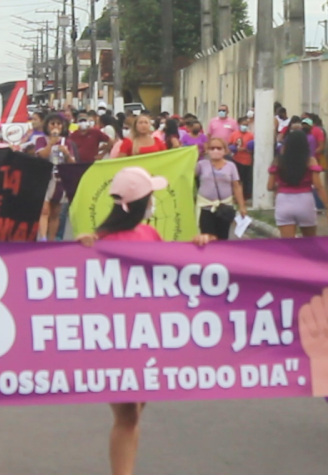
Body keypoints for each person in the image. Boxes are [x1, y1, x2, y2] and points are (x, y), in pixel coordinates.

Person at [74, 167, 214, 475]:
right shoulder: (100, 240)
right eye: (150, 197)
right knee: (127, 415)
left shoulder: (148, 233)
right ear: (141, 202)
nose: (154, 202)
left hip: (147, 336)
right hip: (114, 339)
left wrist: (200, 247)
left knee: (134, 412)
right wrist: (81, 247)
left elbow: (171, 271)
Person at [269, 130, 328, 238]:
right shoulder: (310, 161)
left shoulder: (278, 161)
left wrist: (280, 187)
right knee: (309, 243)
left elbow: (270, 186)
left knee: (289, 246)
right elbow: (318, 187)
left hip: (284, 202)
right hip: (305, 202)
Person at [197, 138, 247, 240]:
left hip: (225, 207)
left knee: (223, 237)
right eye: (212, 148)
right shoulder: (201, 165)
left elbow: (236, 186)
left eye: (219, 148)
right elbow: (187, 174)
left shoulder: (231, 166)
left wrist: (242, 206)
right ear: (208, 150)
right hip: (205, 207)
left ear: (225, 150)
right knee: (207, 237)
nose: (215, 150)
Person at [35, 114, 75, 241]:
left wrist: (67, 154)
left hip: (60, 180)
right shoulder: (41, 140)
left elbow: (72, 163)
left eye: (58, 124)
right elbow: (42, 155)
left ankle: (52, 239)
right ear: (47, 126)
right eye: (52, 124)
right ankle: (43, 237)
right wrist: (51, 144)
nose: (55, 126)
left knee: (55, 213)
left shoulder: (67, 142)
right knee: (44, 210)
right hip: (45, 178)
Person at [228, 117, 255, 201]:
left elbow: (253, 147)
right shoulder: (234, 134)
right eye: (243, 125)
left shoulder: (251, 135)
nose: (245, 126)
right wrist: (234, 149)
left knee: (246, 180)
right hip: (236, 159)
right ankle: (236, 197)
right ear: (239, 124)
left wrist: (246, 150)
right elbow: (230, 145)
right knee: (237, 180)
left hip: (247, 160)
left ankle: (246, 197)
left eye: (246, 125)